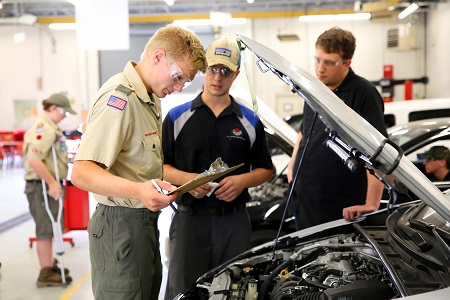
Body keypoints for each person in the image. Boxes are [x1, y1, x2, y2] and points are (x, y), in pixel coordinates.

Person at [70, 24, 207, 300]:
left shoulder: (150, 97)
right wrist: (139, 191)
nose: (179, 87)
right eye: (178, 76)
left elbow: (138, 163)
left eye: (186, 82)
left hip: (142, 223)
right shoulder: (119, 99)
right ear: (157, 57)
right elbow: (81, 172)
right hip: (119, 227)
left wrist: (177, 183)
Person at [162, 38, 274, 300]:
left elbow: (265, 169)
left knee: (233, 290)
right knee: (184, 290)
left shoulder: (249, 120)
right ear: (204, 69)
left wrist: (242, 181)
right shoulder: (177, 117)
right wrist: (189, 180)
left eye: (225, 71)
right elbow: (159, 168)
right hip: (190, 220)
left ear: (236, 74)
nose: (218, 77)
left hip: (233, 223)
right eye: (213, 68)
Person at [287, 27, 388, 230]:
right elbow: (304, 133)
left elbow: (377, 151)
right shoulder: (314, 89)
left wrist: (372, 202)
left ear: (347, 63)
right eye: (317, 59)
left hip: (340, 205)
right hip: (305, 199)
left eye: (329, 62)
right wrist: (292, 169)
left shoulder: (363, 93)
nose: (320, 68)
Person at [23, 93, 76, 287]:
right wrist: (52, 183)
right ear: (53, 108)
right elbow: (34, 160)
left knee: (51, 226)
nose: (64, 117)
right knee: (45, 228)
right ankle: (45, 272)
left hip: (46, 183)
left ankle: (49, 264)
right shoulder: (44, 129)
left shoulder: (52, 128)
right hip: (41, 185)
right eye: (64, 113)